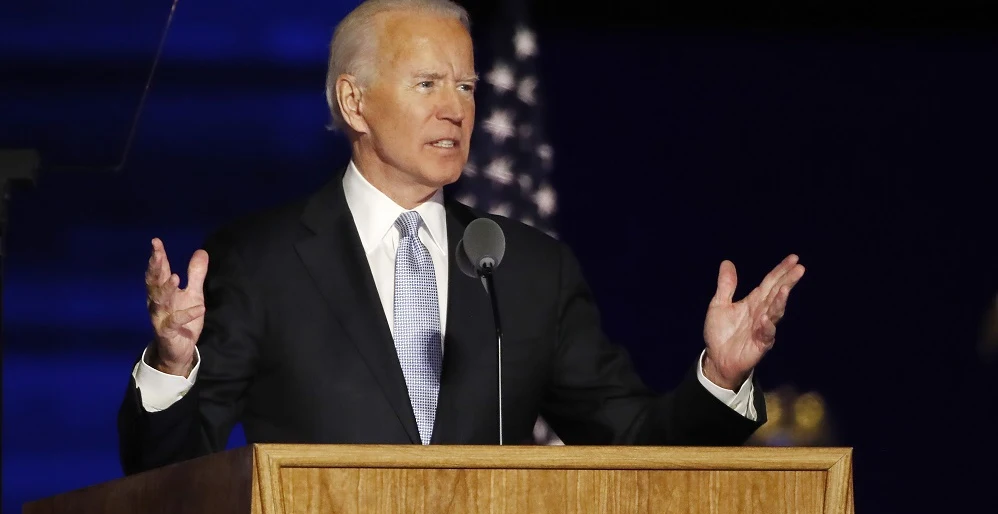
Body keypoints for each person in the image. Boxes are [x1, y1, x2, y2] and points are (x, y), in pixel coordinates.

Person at [118, 0, 805, 475]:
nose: (456, 107)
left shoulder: (531, 270)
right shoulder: (261, 261)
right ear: (354, 102)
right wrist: (173, 363)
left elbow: (635, 443)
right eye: (427, 83)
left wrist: (720, 375)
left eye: (468, 86)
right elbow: (169, 472)